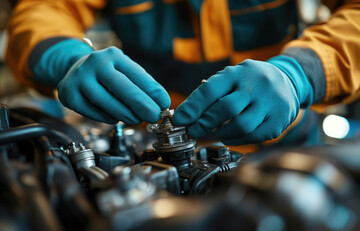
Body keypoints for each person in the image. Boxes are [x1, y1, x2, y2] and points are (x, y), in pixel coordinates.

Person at [4, 0, 360, 146]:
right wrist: (66, 57)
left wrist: (300, 75)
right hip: (155, 152)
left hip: (286, 140)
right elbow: (45, 9)